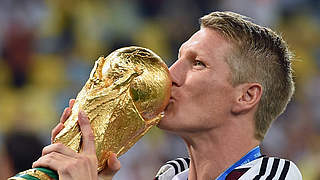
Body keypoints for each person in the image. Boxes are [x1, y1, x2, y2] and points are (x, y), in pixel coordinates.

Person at [32, 11, 302, 180]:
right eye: (177, 58)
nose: (170, 74)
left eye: (198, 63)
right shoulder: (170, 174)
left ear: (246, 96)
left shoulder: (275, 175)